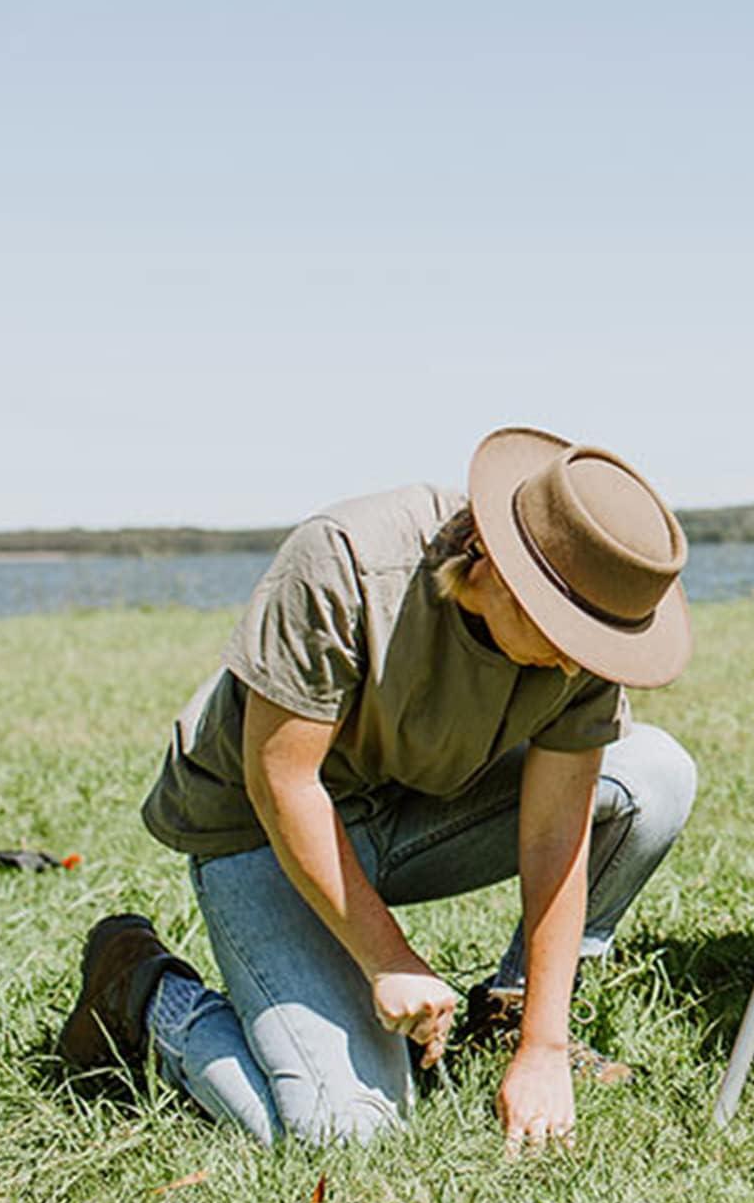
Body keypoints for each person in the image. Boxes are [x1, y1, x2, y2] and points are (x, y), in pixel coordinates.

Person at [57, 426, 697, 1152]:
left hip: (411, 808)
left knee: (655, 772)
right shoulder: (345, 562)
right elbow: (282, 783)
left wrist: (544, 1046)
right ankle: (141, 995)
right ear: (491, 560)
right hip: (260, 828)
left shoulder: (588, 644)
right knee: (347, 1129)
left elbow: (556, 833)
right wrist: (387, 959)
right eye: (564, 632)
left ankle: (505, 1018)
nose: (578, 662)